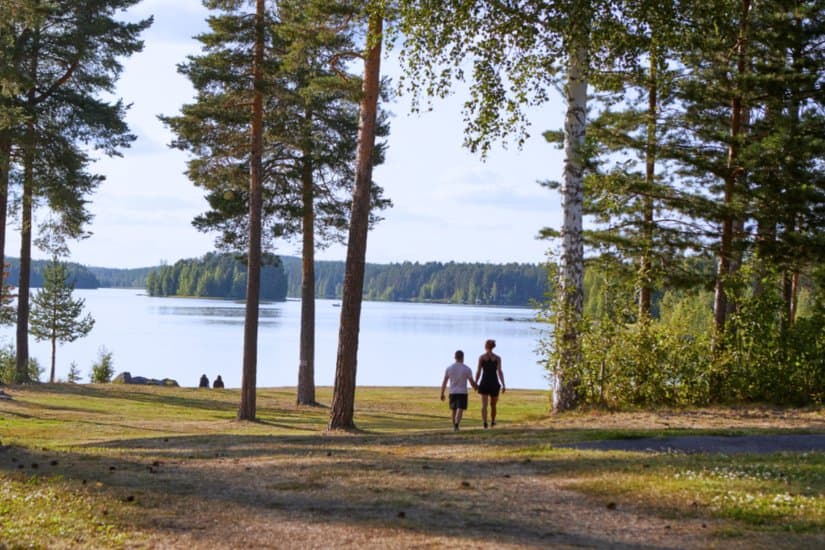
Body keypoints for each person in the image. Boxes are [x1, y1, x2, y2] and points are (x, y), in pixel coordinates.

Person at [440, 350, 478, 431]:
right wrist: (476, 387)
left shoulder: (449, 368)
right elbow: (471, 382)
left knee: (453, 409)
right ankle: (457, 424)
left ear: (455, 357)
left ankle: (454, 426)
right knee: (460, 408)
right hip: (462, 392)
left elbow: (444, 381)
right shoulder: (466, 369)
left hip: (452, 392)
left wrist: (442, 393)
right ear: (463, 357)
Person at [475, 339, 505, 429]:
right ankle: (492, 421)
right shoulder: (497, 358)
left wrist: (475, 382)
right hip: (494, 382)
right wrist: (503, 384)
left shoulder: (481, 357)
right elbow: (499, 372)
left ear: (485, 346)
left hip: (484, 382)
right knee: (493, 405)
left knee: (484, 405)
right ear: (493, 347)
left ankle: (485, 423)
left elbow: (478, 371)